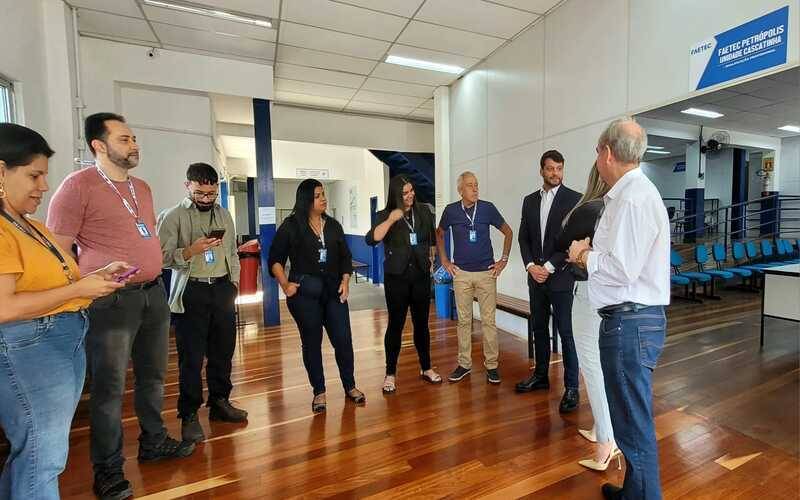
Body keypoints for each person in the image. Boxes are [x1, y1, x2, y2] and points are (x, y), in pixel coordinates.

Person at [47, 112, 195, 500]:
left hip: (152, 293)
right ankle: (108, 469)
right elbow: (58, 254)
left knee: (155, 376)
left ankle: (153, 442)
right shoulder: (76, 187)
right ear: (99, 145)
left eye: (134, 139)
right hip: (110, 302)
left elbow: (141, 235)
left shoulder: (141, 188)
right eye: (125, 139)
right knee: (110, 389)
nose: (134, 145)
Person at [0, 123, 131, 499]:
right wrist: (78, 289)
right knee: (44, 458)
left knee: (38, 455)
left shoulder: (30, 225)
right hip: (29, 348)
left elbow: (50, 280)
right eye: (34, 175)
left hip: (59, 341)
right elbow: (5, 306)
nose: (43, 186)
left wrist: (95, 277)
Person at [568, 117, 670, 500]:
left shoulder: (632, 199)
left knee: (633, 422)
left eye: (597, 152)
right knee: (629, 419)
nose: (596, 160)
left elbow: (621, 268)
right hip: (629, 321)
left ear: (607, 153)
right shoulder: (629, 196)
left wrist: (584, 255)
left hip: (630, 322)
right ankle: (633, 490)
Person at [157, 163, 247, 444]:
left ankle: (220, 402)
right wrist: (191, 250)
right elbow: (162, 258)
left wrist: (233, 284)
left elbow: (232, 252)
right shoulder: (173, 217)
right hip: (191, 292)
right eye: (200, 193)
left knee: (222, 353)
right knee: (191, 359)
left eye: (211, 194)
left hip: (221, 290)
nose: (207, 199)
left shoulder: (224, 215)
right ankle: (189, 415)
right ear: (188, 187)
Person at [268, 179, 365, 413]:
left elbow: (344, 256)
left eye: (323, 194)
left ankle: (350, 385)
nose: (323, 198)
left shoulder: (332, 226)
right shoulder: (291, 226)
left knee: (343, 340)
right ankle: (319, 391)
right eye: (318, 195)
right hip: (305, 296)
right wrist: (285, 285)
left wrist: (345, 281)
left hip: (333, 292)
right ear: (306, 200)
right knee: (312, 344)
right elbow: (275, 260)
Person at [555, 163, 620, 471]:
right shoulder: (616, 209)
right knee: (600, 363)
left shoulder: (589, 208)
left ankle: (607, 441)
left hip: (587, 290)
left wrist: (575, 249)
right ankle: (601, 427)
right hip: (609, 293)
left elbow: (561, 241)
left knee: (590, 364)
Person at [515, 150, 583, 413]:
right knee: (540, 329)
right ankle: (541, 376)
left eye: (559, 168)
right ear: (541, 170)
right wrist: (532, 266)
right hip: (536, 278)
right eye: (550, 169)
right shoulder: (529, 201)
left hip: (561, 277)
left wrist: (549, 266)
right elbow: (524, 238)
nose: (555, 173)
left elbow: (573, 241)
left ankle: (572, 387)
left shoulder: (574, 199)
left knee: (566, 332)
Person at [366, 175, 441, 394]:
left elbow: (431, 239)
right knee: (395, 326)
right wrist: (391, 219)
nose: (410, 196)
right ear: (396, 195)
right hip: (396, 278)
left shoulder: (424, 212)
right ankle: (390, 374)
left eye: (411, 191)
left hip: (419, 277)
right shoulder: (383, 214)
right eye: (405, 193)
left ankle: (426, 367)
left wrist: (431, 259)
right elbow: (372, 239)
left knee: (422, 325)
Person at [436, 171, 513, 385]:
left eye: (477, 185)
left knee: (488, 321)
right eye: (470, 185)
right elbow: (439, 233)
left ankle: (492, 366)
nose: (475, 188)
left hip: (487, 273)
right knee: (463, 321)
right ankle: (464, 364)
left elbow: (508, 232)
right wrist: (444, 260)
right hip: (460, 273)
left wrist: (503, 260)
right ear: (461, 190)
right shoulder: (451, 211)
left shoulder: (487, 208)